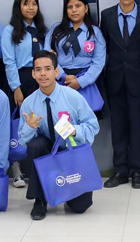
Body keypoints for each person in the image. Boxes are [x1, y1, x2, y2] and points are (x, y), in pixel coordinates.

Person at [19, 50, 100, 220]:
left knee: (79, 207)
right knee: (36, 144)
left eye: (48, 69)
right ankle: (40, 200)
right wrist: (30, 128)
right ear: (33, 73)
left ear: (56, 72)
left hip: (70, 153)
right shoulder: (28, 103)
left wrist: (74, 130)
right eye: (38, 70)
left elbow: (93, 126)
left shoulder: (73, 97)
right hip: (45, 155)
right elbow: (23, 141)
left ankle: (63, 190)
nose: (43, 74)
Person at [99, 0, 140, 189]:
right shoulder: (106, 16)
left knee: (137, 127)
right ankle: (120, 170)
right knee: (118, 128)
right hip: (114, 80)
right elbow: (102, 48)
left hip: (139, 81)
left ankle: (136, 171)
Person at [1, 0, 47, 188]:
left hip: (41, 79)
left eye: (34, 3)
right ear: (18, 7)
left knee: (40, 121)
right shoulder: (10, 30)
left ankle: (40, 169)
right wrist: (16, 88)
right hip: (20, 79)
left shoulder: (42, 30)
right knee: (19, 124)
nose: (31, 7)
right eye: (26, 3)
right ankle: (17, 171)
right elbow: (9, 62)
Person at [45, 0, 106, 98]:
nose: (74, 10)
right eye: (70, 7)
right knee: (63, 114)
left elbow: (99, 61)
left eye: (78, 6)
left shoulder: (95, 32)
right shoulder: (56, 30)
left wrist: (81, 82)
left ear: (86, 8)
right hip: (61, 79)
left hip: (87, 80)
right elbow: (47, 56)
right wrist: (63, 76)